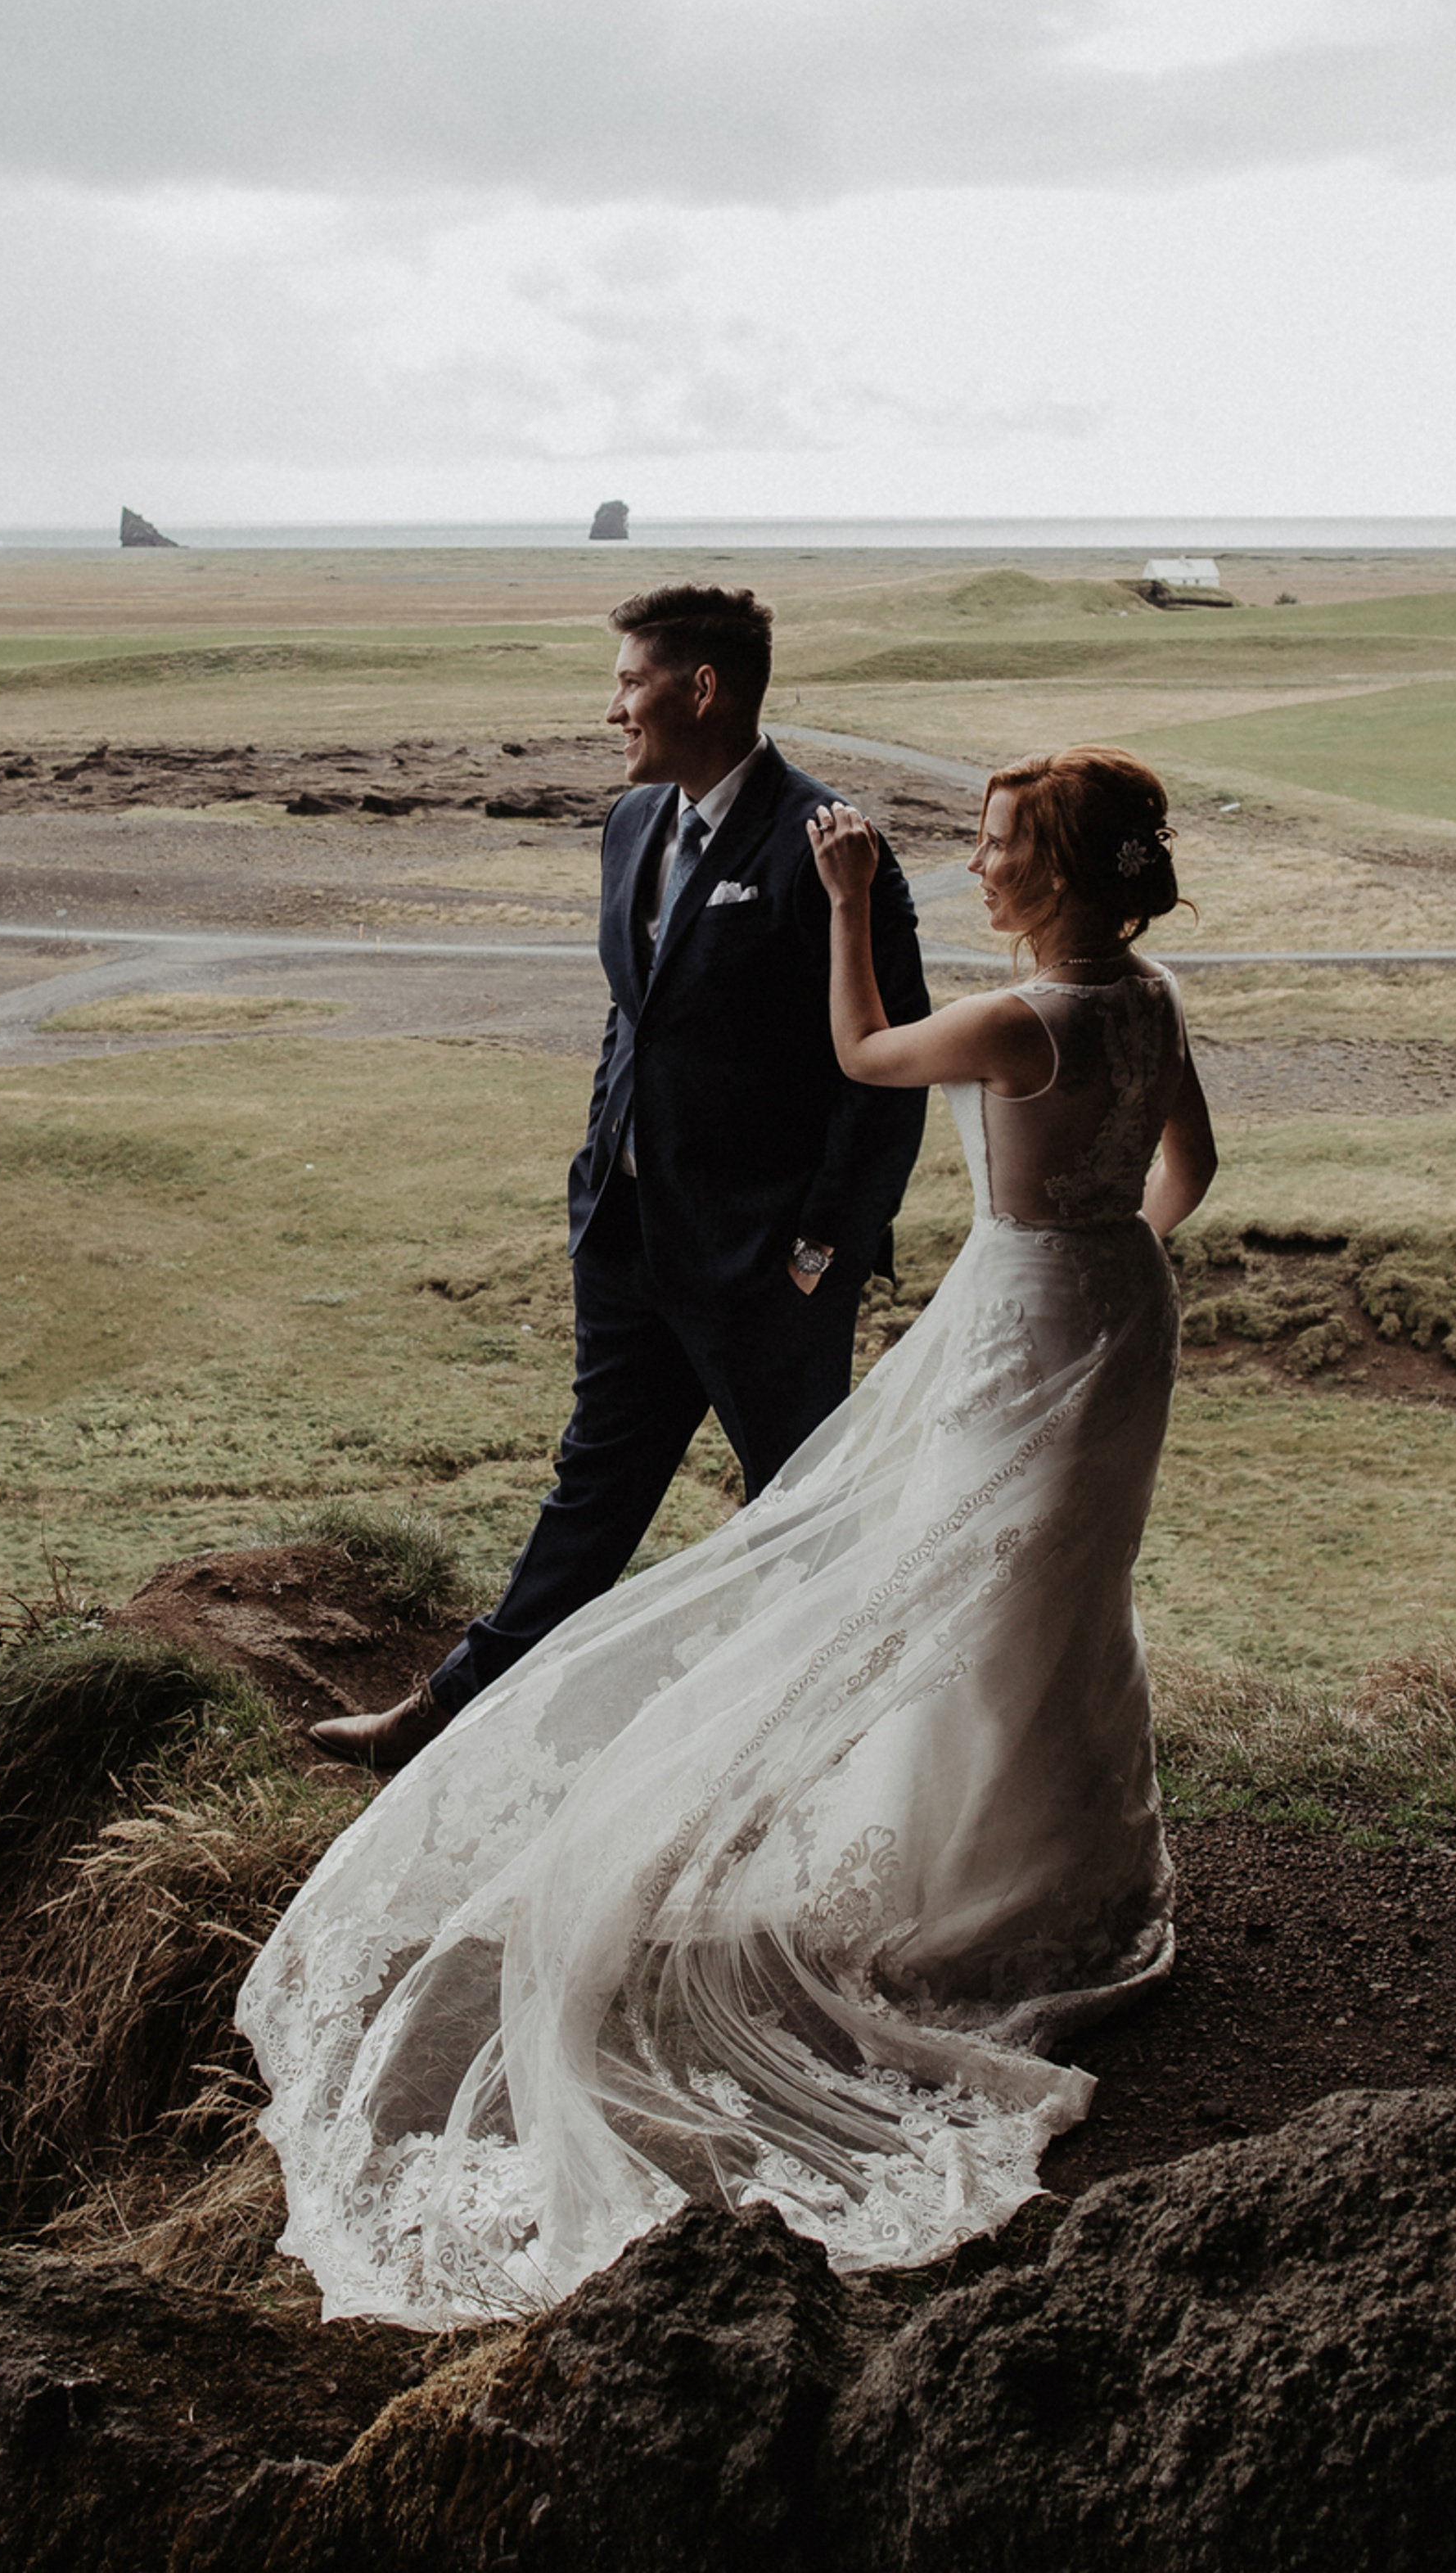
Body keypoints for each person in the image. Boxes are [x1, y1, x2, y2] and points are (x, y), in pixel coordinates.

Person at [239, 745, 1216, 2327]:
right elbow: (1193, 1170)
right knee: (1060, 1588)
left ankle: (973, 1879)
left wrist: (845, 902)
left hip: (1025, 1317)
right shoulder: (1156, 1000)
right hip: (1116, 1309)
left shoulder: (1018, 1022)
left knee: (962, 1588)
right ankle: (1064, 1869)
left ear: (1053, 869)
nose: (977, 864)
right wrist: (1105, 1264)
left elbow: (863, 1052)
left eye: (997, 844)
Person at [308, 583, 930, 1772]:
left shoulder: (828, 844)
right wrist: (602, 1163)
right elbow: (634, 1015)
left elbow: (889, 1068)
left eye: (631, 684)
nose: (613, 712)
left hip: (765, 1271)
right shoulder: (633, 822)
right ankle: (444, 1720)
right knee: (592, 1493)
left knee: (803, 1519)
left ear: (703, 689)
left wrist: (823, 1251)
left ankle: (850, 1759)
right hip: (629, 1240)